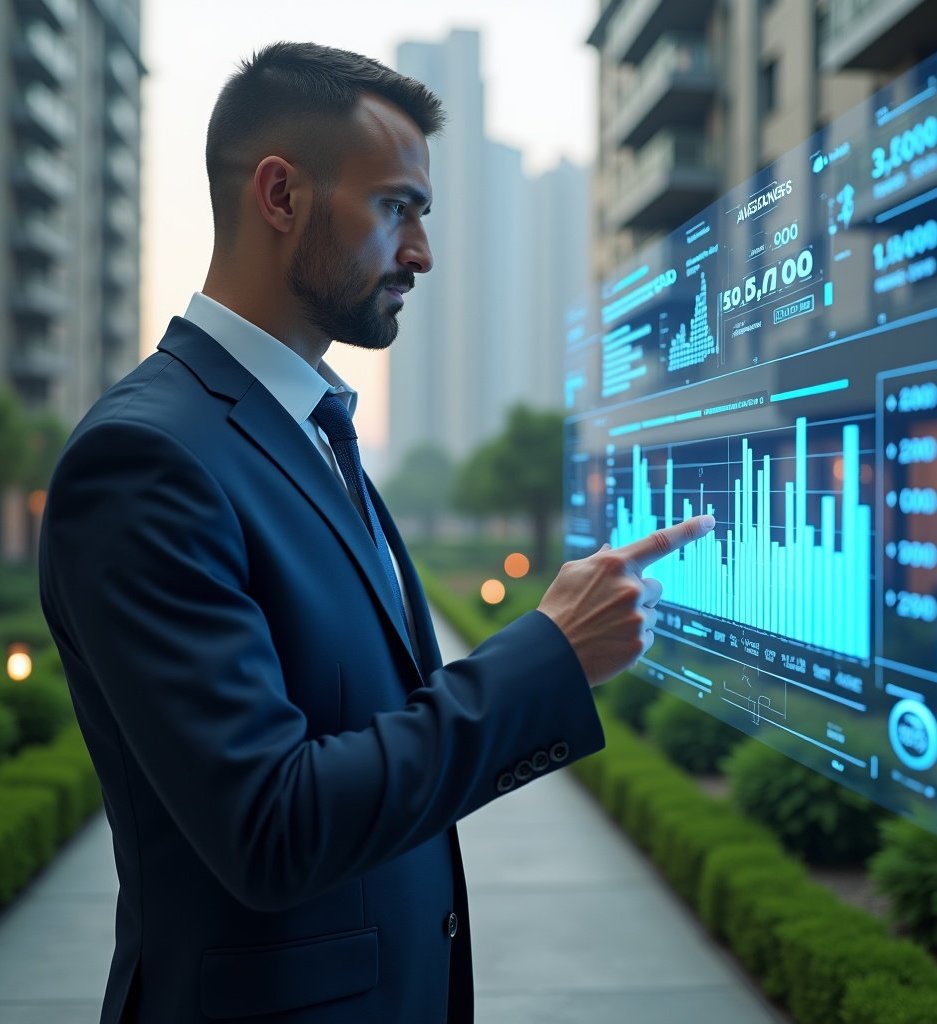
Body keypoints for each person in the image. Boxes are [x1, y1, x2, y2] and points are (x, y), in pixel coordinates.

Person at [37, 41, 714, 1024]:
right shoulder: (145, 462)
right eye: (396, 205)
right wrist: (546, 656)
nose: (421, 252)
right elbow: (271, 824)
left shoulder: (313, 432)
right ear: (281, 195)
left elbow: (378, 727)